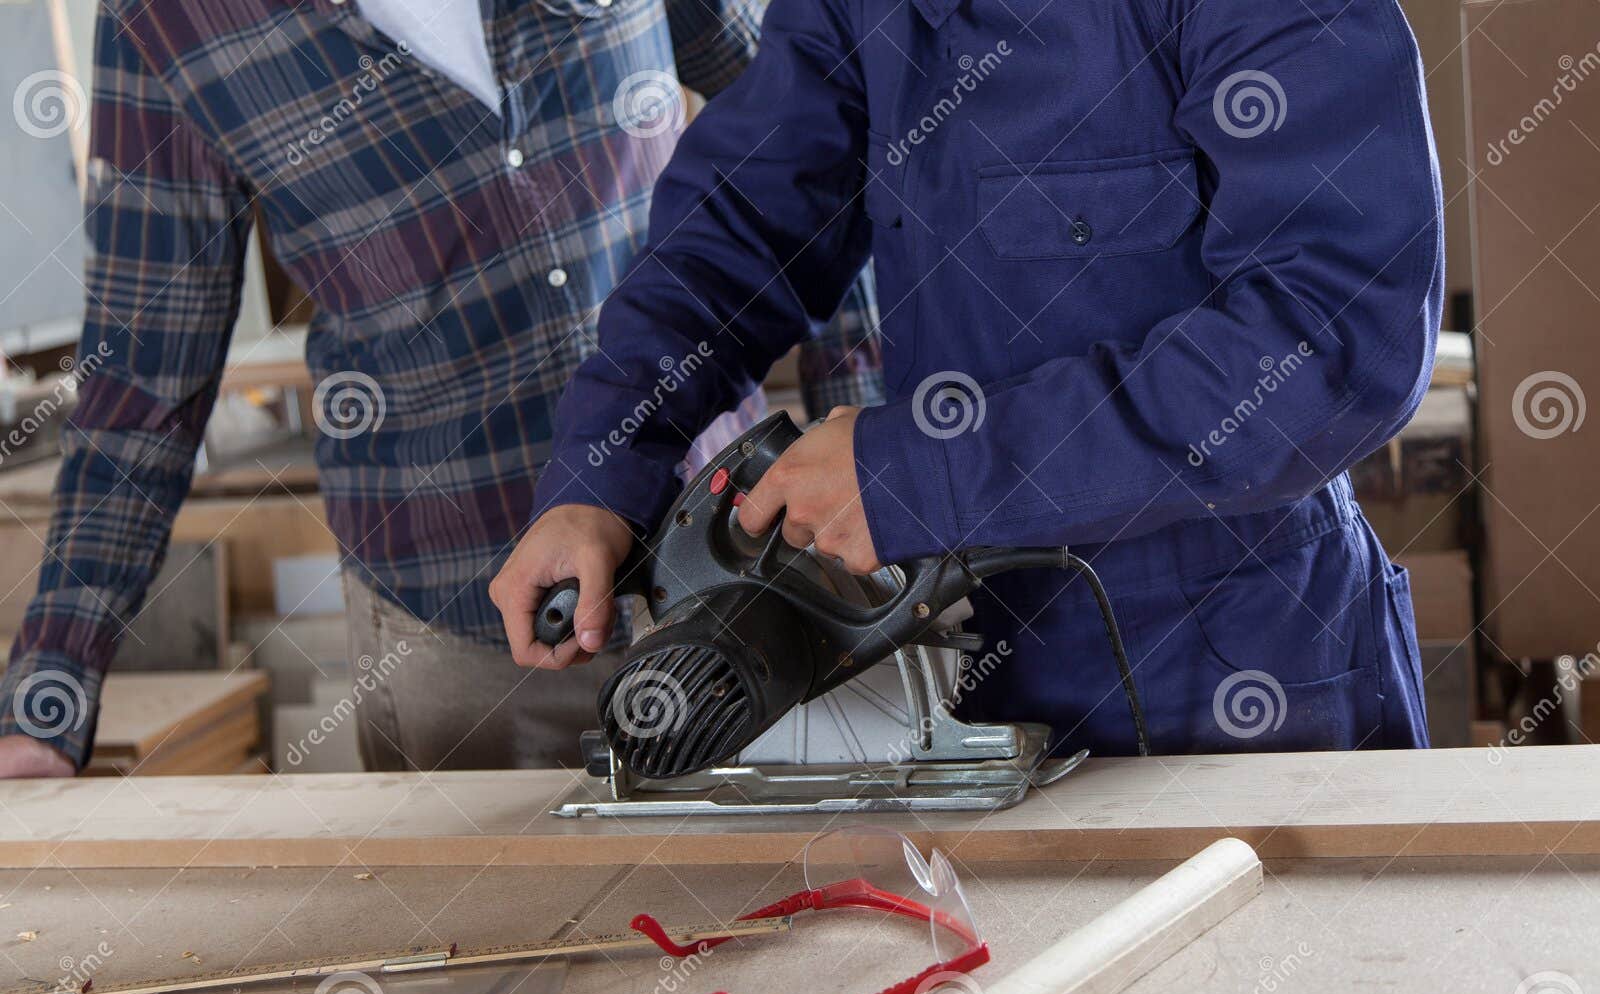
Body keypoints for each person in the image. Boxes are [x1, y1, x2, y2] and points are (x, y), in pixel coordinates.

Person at [494, 0, 1443, 755]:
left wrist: (921, 473)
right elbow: (739, 229)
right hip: (975, 672)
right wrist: (602, 474)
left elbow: (1339, 334)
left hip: (1243, 677)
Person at [0, 0, 880, 778]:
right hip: (467, 634)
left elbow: (821, 141)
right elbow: (143, 376)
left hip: (741, 563)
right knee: (504, 952)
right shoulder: (166, 19)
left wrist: (879, 466)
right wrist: (49, 694)